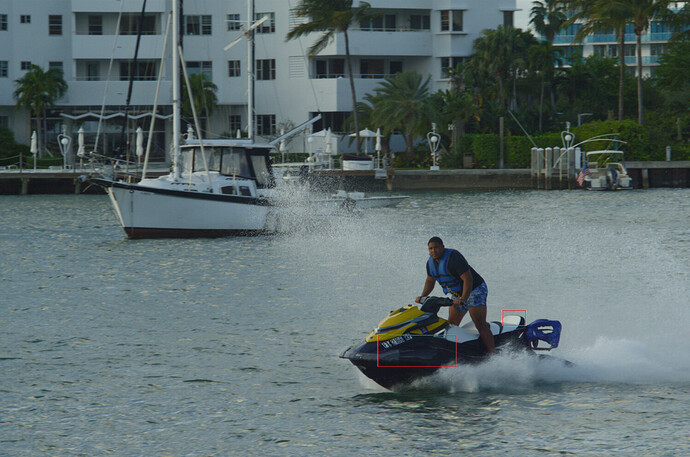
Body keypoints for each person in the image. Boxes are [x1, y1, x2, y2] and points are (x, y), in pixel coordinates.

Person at [415, 236, 495, 353]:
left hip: (475, 290)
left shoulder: (454, 258)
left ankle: (493, 355)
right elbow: (430, 281)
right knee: (451, 324)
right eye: (430, 248)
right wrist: (422, 296)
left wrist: (463, 298)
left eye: (436, 247)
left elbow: (468, 279)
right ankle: (454, 353)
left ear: (442, 247)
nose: (433, 251)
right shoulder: (430, 263)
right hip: (458, 295)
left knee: (480, 324)